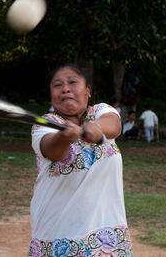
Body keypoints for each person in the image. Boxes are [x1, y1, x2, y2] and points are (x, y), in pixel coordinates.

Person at [29, 65, 133, 256]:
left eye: (73, 82)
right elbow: (52, 149)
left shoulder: (101, 111)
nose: (66, 89)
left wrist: (95, 127)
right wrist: (65, 137)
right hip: (59, 234)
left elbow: (114, 125)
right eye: (57, 85)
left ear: (88, 91)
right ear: (52, 95)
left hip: (106, 237)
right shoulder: (44, 124)